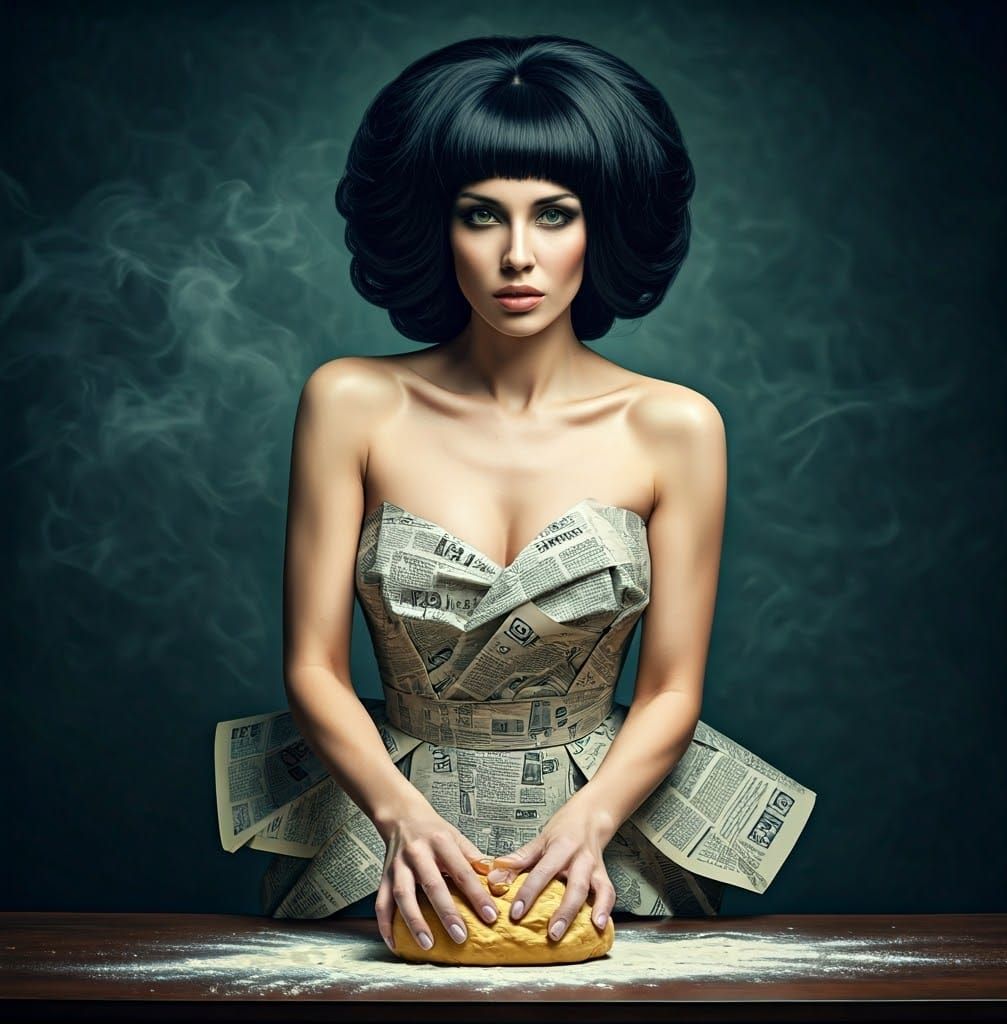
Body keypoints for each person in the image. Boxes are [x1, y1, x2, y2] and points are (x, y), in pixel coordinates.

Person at [214, 33, 814, 955]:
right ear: (434, 225)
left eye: (557, 213)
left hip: (609, 858)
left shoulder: (677, 428)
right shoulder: (350, 402)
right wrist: (399, 819)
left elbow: (671, 691)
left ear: (599, 225)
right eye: (481, 215)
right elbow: (312, 668)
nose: (518, 256)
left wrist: (592, 823)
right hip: (375, 849)